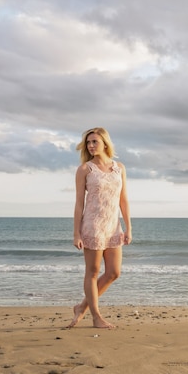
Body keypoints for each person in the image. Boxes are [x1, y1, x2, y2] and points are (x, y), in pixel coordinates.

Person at [68, 127, 132, 329]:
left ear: (105, 143)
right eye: (88, 142)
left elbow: (124, 200)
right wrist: (76, 232)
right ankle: (96, 317)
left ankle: (81, 307)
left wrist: (128, 228)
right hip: (92, 226)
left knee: (114, 272)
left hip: (113, 226)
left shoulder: (119, 168)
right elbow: (79, 203)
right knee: (92, 272)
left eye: (95, 141)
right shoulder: (85, 169)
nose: (91, 146)